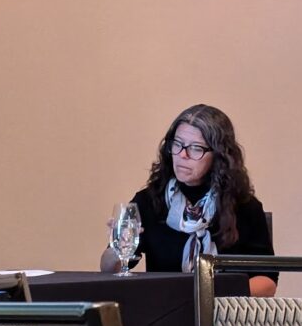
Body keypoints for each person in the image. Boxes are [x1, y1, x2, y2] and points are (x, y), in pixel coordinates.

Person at [100, 104, 277, 296]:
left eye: (195, 148)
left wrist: (209, 298)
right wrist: (117, 245)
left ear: (219, 155)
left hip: (226, 316)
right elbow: (109, 269)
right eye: (177, 144)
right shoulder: (150, 201)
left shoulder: (244, 207)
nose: (183, 155)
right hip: (165, 313)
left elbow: (267, 283)